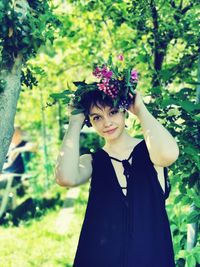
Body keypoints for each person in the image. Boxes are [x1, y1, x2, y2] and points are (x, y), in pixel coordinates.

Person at [55, 57, 179, 267]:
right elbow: (65, 178)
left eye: (112, 112)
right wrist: (75, 121)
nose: (107, 123)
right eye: (96, 117)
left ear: (124, 111)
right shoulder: (93, 161)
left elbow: (168, 155)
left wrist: (140, 110)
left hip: (151, 257)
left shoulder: (150, 150)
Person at [1, 127, 37, 195]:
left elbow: (33, 146)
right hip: (6, 174)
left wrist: (16, 151)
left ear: (18, 135)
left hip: (13, 178)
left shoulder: (25, 144)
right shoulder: (11, 148)